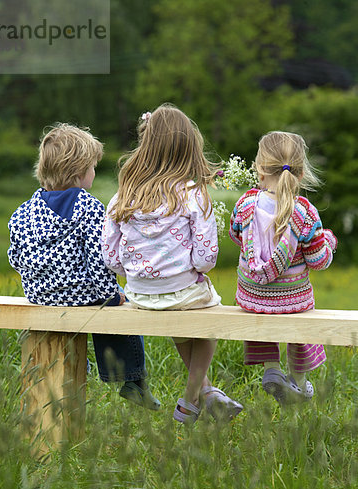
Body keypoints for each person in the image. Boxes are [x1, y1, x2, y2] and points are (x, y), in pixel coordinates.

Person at [101, 104, 243, 423]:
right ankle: (190, 402)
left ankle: (208, 393)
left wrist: (138, 274)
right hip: (182, 293)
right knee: (208, 324)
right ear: (188, 150)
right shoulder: (194, 195)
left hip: (139, 295)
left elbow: (111, 258)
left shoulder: (123, 195)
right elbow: (205, 261)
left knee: (182, 315)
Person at [8, 122, 159, 410]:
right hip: (82, 294)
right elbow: (98, 262)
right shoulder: (88, 207)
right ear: (79, 172)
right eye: (92, 167)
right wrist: (114, 295)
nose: (94, 172)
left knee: (98, 302)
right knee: (115, 308)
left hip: (39, 295)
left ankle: (80, 364)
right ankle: (131, 380)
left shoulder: (23, 211)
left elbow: (16, 257)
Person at [229, 131, 337, 404]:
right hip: (293, 299)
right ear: (300, 175)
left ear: (260, 169)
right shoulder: (305, 212)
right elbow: (318, 261)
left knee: (261, 308)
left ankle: (271, 370)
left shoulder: (245, 204)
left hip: (252, 297)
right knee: (299, 317)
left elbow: (235, 235)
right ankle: (299, 384)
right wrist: (329, 243)